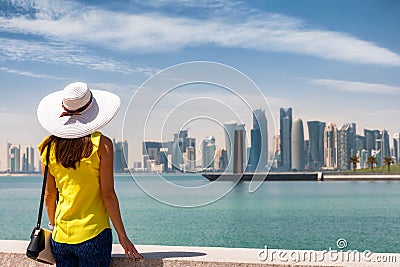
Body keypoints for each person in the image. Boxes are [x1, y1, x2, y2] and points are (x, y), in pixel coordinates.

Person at [37, 82, 143, 266]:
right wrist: (123, 237)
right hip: (94, 235)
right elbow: (108, 194)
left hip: (61, 238)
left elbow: (49, 195)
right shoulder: (102, 145)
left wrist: (54, 226)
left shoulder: (48, 147)